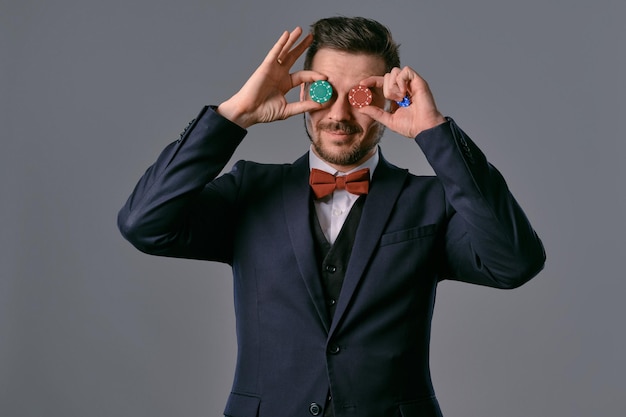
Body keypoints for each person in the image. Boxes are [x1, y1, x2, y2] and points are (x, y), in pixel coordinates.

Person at [118, 16, 545, 417]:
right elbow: (143, 223)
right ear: (304, 93)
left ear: (387, 98)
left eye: (361, 95)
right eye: (324, 92)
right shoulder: (249, 190)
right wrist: (234, 116)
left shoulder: (431, 201)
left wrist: (434, 131)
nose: (339, 115)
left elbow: (515, 263)